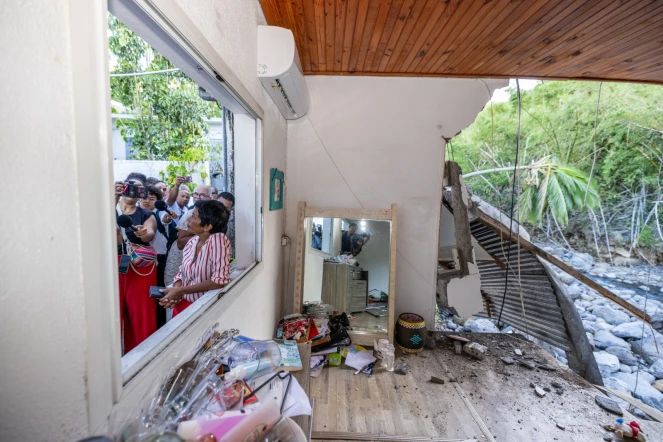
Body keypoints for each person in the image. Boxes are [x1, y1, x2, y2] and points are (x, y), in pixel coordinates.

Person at [159, 200, 232, 316]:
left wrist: (181, 290)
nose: (188, 220)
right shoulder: (192, 241)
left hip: (202, 308)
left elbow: (220, 280)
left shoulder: (218, 240)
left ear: (207, 226)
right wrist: (177, 292)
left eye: (193, 216)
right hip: (183, 302)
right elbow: (181, 272)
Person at [114, 175, 157, 353]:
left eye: (137, 188)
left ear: (142, 193)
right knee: (110, 315)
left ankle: (142, 358)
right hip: (111, 266)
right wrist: (112, 197)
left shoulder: (146, 214)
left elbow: (150, 233)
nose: (131, 190)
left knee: (142, 318)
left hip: (139, 268)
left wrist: (143, 234)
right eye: (128, 186)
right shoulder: (108, 210)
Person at [141, 185, 176, 329]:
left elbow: (166, 219)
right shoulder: (137, 215)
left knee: (159, 293)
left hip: (160, 261)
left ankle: (160, 325)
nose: (147, 201)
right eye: (144, 197)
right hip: (142, 263)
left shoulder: (159, 213)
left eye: (151, 198)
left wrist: (169, 216)